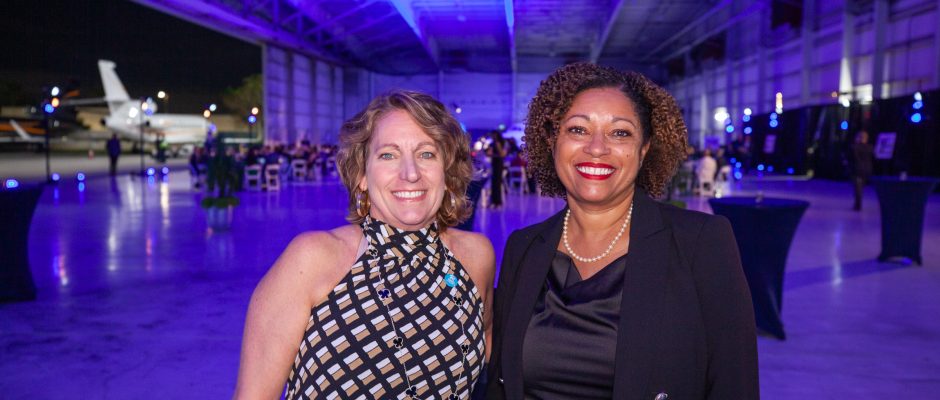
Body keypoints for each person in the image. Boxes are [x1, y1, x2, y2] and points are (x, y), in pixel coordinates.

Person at [486, 63, 758, 399]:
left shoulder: (700, 242)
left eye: (620, 133)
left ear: (644, 150)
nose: (597, 147)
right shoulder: (524, 247)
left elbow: (734, 383)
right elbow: (499, 381)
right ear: (552, 142)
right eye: (578, 130)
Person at [234, 90, 495, 399]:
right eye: (388, 155)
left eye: (426, 154)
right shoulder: (312, 260)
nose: (410, 173)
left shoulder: (474, 258)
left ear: (447, 171)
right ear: (362, 175)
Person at [850, 130, 874, 211]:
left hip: (857, 169)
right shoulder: (870, 147)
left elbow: (853, 158)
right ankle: (858, 203)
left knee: (858, 187)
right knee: (860, 187)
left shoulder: (855, 147)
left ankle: (858, 204)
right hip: (867, 169)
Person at [487, 130, 508, 208]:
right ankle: (493, 201)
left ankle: (498, 202)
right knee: (493, 183)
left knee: (498, 183)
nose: (493, 137)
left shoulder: (502, 143)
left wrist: (497, 144)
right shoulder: (492, 143)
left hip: (499, 164)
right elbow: (489, 154)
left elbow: (502, 154)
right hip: (494, 164)